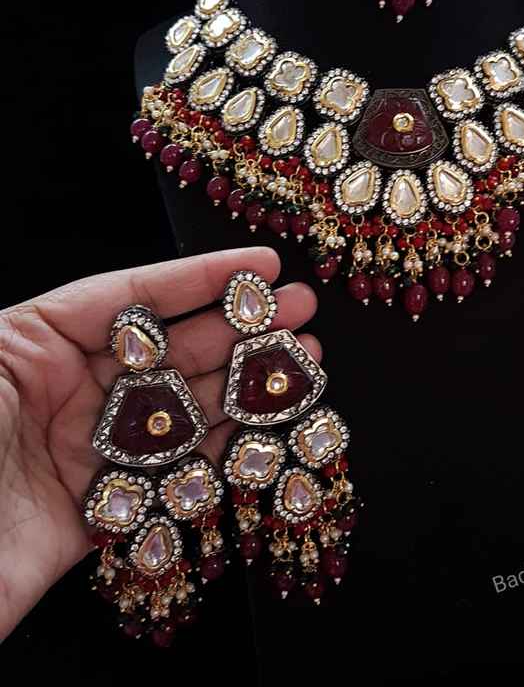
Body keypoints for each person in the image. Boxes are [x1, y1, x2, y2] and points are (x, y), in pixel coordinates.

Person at [0, 246, 319, 641]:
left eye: (142, 343)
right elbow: (121, 433)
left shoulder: (194, 373)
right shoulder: (136, 387)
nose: (138, 351)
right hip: (138, 466)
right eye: (130, 345)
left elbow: (196, 421)